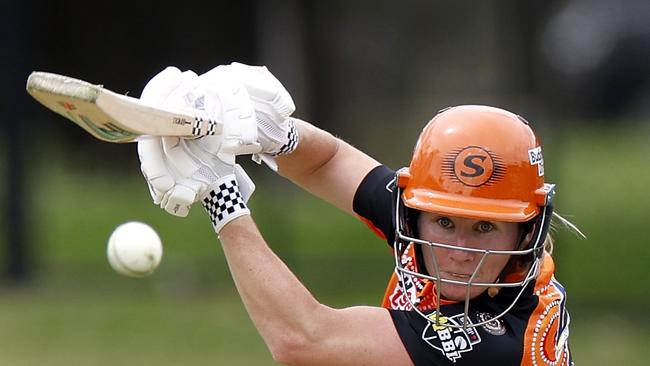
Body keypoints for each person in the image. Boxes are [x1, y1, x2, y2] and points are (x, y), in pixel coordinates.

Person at [136, 64, 578, 365]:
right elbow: (328, 163)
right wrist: (269, 132)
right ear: (415, 211)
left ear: (526, 233)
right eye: (445, 222)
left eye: (484, 228)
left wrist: (220, 193)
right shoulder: (422, 217)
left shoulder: (502, 340)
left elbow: (304, 339)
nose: (458, 249)